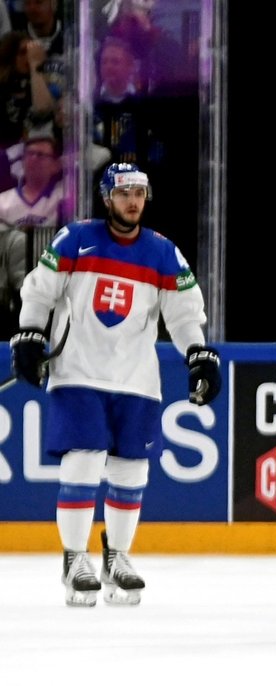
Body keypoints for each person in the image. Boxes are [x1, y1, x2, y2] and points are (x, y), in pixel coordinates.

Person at [9, 161, 221, 607]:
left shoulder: (163, 252)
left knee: (132, 470)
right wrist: (29, 332)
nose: (132, 202)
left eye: (139, 194)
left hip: (136, 380)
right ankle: (74, 558)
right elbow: (40, 289)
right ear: (108, 198)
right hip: (78, 373)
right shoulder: (76, 238)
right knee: (83, 462)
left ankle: (117, 556)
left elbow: (184, 312)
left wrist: (197, 353)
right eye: (124, 193)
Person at [0, 128, 64, 337]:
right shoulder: (3, 202)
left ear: (55, 164)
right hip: (13, 286)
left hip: (54, 282)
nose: (34, 159)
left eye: (42, 155)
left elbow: (101, 156)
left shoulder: (65, 197)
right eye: (30, 154)